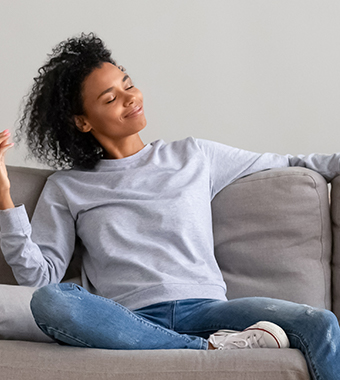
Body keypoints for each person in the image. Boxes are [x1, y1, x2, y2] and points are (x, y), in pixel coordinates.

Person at [0, 33, 339, 379]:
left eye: (127, 84)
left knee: (321, 324)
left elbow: (291, 161)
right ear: (82, 122)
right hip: (127, 318)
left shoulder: (193, 155)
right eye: (110, 98)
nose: (130, 98)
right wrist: (4, 197)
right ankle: (205, 348)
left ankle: (184, 342)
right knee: (51, 302)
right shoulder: (67, 186)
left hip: (210, 312)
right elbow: (40, 280)